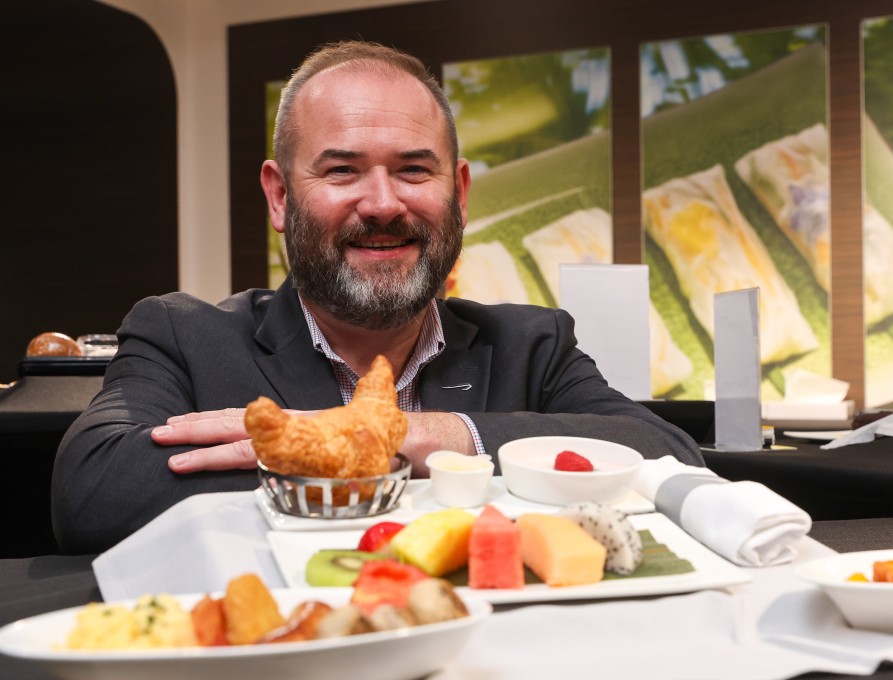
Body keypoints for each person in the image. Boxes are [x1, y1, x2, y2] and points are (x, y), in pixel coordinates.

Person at [51, 40, 704, 555]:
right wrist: (342, 450)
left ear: (461, 194)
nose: (384, 203)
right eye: (342, 170)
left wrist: (409, 436)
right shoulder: (180, 334)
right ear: (280, 196)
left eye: (414, 169)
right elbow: (91, 495)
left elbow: (668, 457)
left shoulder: (531, 346)